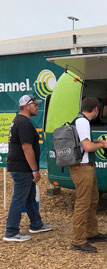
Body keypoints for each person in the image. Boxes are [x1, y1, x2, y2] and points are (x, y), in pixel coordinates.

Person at [3, 94, 53, 242]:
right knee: (18, 199)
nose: (37, 107)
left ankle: (36, 224)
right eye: (35, 105)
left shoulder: (19, 121)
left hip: (21, 167)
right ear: (27, 106)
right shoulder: (24, 123)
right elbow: (26, 148)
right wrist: (34, 170)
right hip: (23, 168)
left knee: (29, 197)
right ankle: (11, 232)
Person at [70, 97, 107, 253]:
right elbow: (87, 146)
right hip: (82, 168)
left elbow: (84, 142)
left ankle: (91, 232)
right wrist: (102, 144)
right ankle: (79, 240)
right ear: (95, 109)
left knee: (93, 200)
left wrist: (97, 142)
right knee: (83, 203)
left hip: (86, 167)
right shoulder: (83, 122)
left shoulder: (80, 121)